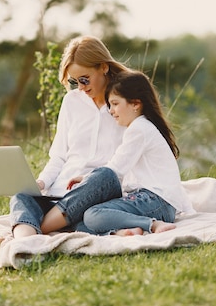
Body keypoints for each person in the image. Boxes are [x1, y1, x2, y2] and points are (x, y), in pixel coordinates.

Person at [0, 35, 128, 245]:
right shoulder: (71, 101)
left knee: (96, 198)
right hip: (60, 195)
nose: (81, 87)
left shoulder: (125, 104)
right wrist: (41, 182)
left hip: (98, 192)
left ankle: (30, 231)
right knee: (21, 197)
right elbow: (58, 156)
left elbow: (127, 163)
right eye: (75, 82)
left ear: (103, 67)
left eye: (85, 79)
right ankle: (25, 245)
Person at [73, 70, 194, 236]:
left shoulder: (139, 129)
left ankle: (151, 224)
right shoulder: (142, 127)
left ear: (135, 104)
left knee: (92, 215)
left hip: (156, 201)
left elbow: (114, 171)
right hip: (156, 203)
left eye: (115, 104)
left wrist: (88, 180)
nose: (111, 110)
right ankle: (123, 231)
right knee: (80, 224)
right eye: (109, 105)